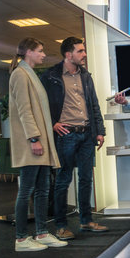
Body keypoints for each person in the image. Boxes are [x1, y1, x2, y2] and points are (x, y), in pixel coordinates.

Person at [41, 36, 108, 240]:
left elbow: (93, 104)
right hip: (66, 135)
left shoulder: (86, 76)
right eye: (80, 51)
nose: (84, 54)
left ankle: (86, 221)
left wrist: (100, 130)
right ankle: (61, 226)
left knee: (86, 179)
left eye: (84, 50)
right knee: (63, 180)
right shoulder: (50, 76)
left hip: (86, 134)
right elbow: (41, 104)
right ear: (68, 54)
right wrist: (52, 122)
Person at [8, 37, 67, 251]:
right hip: (32, 143)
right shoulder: (19, 74)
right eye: (40, 51)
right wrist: (34, 138)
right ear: (29, 52)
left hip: (41, 143)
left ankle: (41, 232)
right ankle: (21, 238)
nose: (43, 54)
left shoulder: (31, 74)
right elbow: (25, 111)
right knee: (27, 190)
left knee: (43, 190)